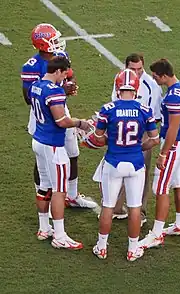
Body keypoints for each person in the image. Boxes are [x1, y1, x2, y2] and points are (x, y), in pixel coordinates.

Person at [21, 23, 96, 209]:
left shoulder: (62, 56)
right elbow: (28, 98)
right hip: (41, 116)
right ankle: (43, 195)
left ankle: (71, 196)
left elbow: (69, 75)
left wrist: (70, 86)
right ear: (43, 44)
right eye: (53, 39)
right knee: (42, 159)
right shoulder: (32, 66)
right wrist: (59, 90)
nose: (58, 42)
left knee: (73, 153)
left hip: (61, 109)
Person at [91, 69, 160, 261]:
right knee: (135, 207)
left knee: (108, 206)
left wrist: (110, 140)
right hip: (136, 163)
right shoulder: (145, 110)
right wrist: (139, 146)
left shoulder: (107, 109)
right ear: (136, 88)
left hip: (113, 162)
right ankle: (132, 249)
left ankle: (102, 247)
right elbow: (154, 139)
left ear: (118, 87)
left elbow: (97, 137)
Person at [30, 56, 91, 248]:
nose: (64, 78)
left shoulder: (36, 86)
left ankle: (43, 228)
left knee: (45, 186)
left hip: (39, 140)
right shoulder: (53, 91)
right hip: (53, 146)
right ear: (58, 71)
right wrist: (80, 122)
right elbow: (61, 121)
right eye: (64, 74)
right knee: (59, 190)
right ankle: (59, 235)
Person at [139, 58, 180, 249]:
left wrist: (163, 153)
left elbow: (173, 128)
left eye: (156, 76)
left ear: (164, 75)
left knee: (160, 188)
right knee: (178, 182)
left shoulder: (173, 97)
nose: (154, 80)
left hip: (174, 143)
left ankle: (157, 233)